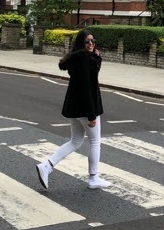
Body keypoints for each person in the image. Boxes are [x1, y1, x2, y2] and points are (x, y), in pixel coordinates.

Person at [36, 29, 112, 191]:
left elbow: (92, 76)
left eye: (93, 41)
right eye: (87, 41)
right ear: (81, 43)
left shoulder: (78, 59)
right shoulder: (84, 59)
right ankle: (93, 178)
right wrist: (92, 115)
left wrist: (97, 58)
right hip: (86, 109)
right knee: (95, 142)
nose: (91, 44)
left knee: (75, 141)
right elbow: (87, 88)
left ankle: (46, 166)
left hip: (75, 109)